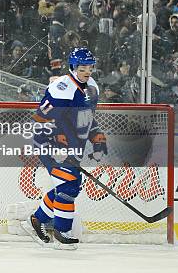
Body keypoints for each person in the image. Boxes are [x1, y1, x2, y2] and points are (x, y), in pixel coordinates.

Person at [24, 47, 106, 250]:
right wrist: (54, 144)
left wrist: (96, 137)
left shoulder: (92, 87)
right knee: (69, 183)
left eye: (90, 67)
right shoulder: (62, 88)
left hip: (73, 146)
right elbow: (41, 119)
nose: (87, 71)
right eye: (82, 68)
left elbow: (86, 117)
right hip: (50, 144)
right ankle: (62, 231)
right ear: (72, 67)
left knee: (69, 185)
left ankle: (37, 219)